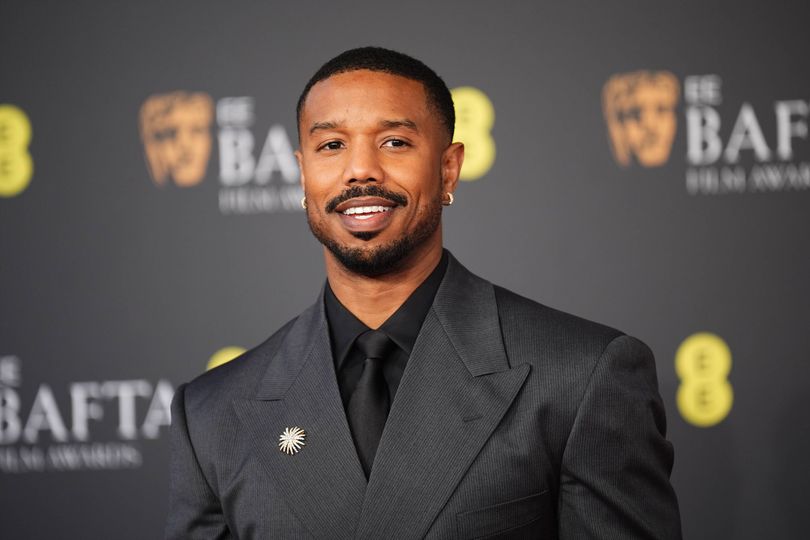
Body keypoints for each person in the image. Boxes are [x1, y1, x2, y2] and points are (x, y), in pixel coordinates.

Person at [166, 46, 682, 539]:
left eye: (394, 142)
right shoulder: (212, 412)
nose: (360, 169)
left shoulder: (583, 376)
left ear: (448, 168)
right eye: (331, 145)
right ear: (303, 173)